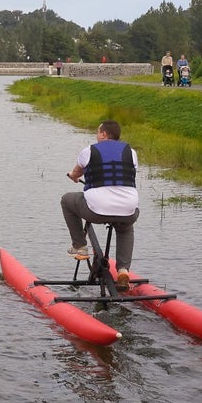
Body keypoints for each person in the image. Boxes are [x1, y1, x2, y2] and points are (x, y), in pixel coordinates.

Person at [61, 120, 140, 291]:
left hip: (96, 210)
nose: (96, 136)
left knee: (67, 200)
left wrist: (73, 176)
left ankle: (80, 246)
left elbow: (76, 173)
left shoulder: (89, 151)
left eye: (98, 132)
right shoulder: (131, 152)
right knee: (126, 225)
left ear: (104, 134)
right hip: (127, 210)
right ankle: (123, 270)